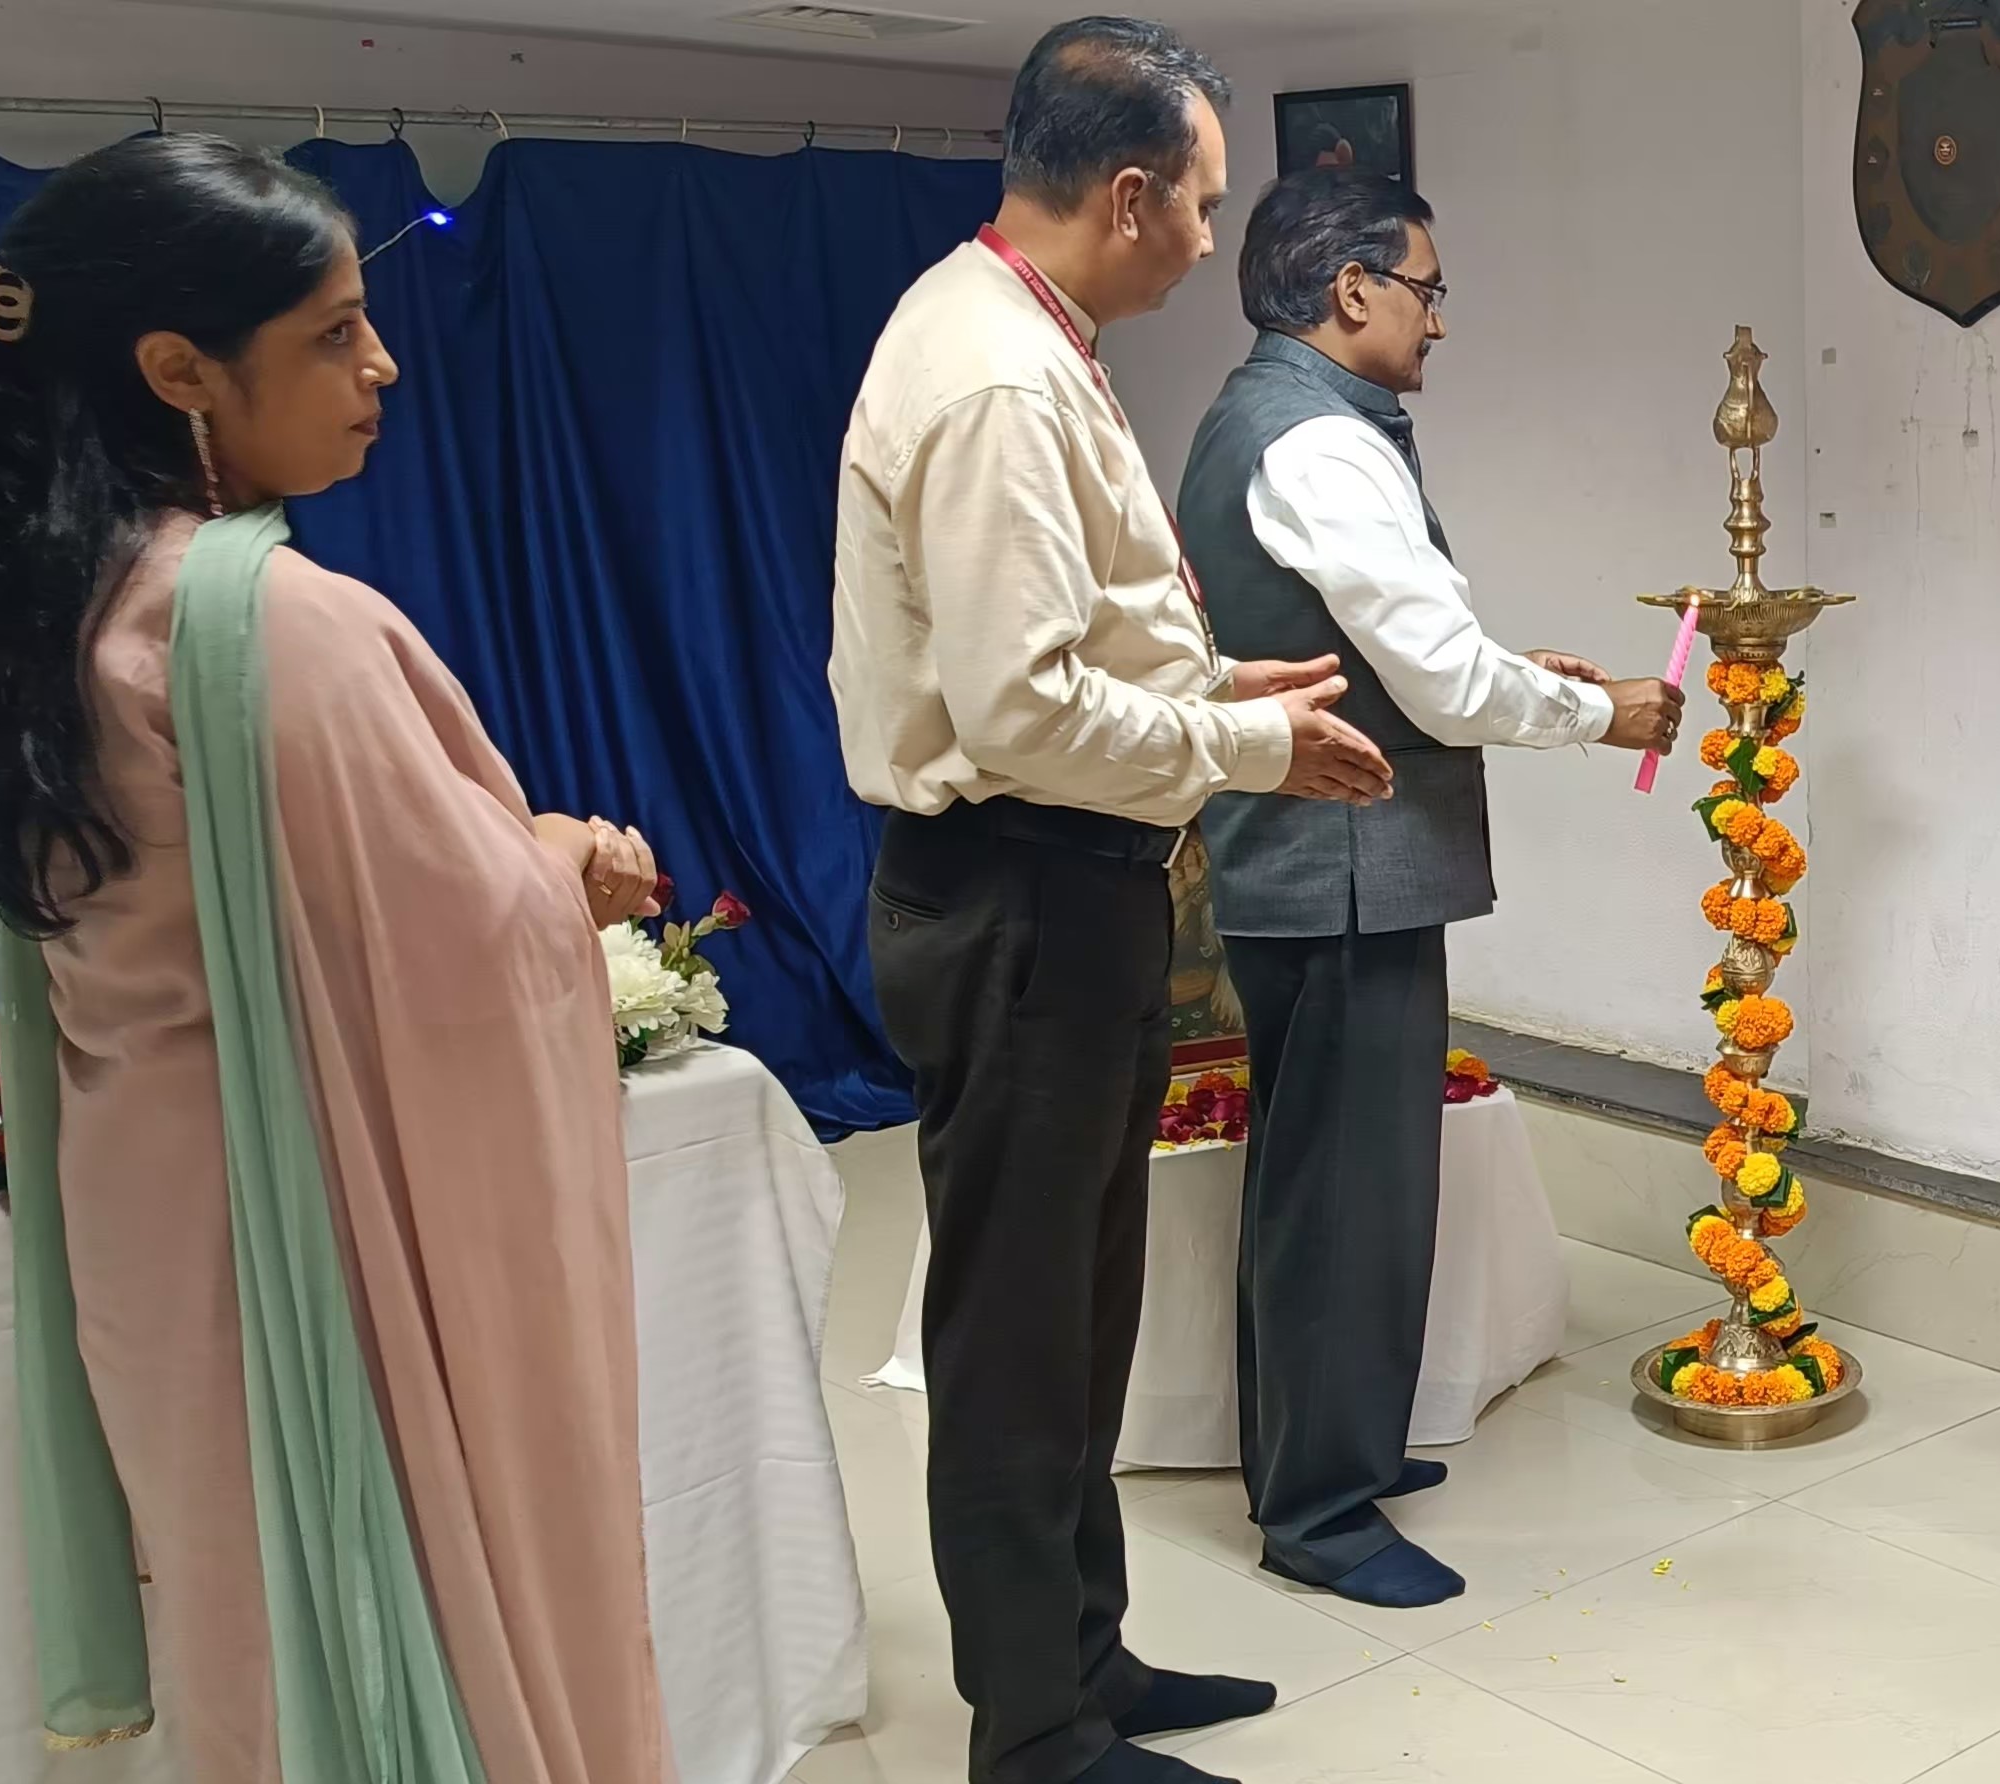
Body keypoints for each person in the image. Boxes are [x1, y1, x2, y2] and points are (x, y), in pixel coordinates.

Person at [0, 134, 669, 1782]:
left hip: (149, 1208)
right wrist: (563, 857)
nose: (381, 362)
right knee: (410, 1632)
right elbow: (469, 951)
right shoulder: (273, 621)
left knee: (253, 1636)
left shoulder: (47, 598)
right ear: (178, 369)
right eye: (332, 332)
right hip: (298, 1214)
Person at [828, 19, 1391, 1784]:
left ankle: (1086, 1658)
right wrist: (1246, 742)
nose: (1214, 243)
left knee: (1079, 1314)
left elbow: (1064, 641)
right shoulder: (995, 374)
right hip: (1019, 888)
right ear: (1130, 192)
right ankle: (1037, 1731)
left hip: (1068, 884)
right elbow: (1018, 714)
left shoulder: (1023, 330)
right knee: (1017, 1337)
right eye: (1204, 205)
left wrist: (1217, 683)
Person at [1179, 167, 1683, 1609]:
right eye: (1427, 288)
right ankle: (1322, 1515)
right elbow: (1445, 685)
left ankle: (1323, 1452)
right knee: (1349, 1195)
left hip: (1315, 857)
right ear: (1351, 289)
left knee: (1321, 1181)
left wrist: (1514, 674)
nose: (1439, 320)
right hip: (1341, 867)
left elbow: (1408, 655)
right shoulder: (1323, 445)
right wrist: (1598, 714)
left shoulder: (1263, 411)